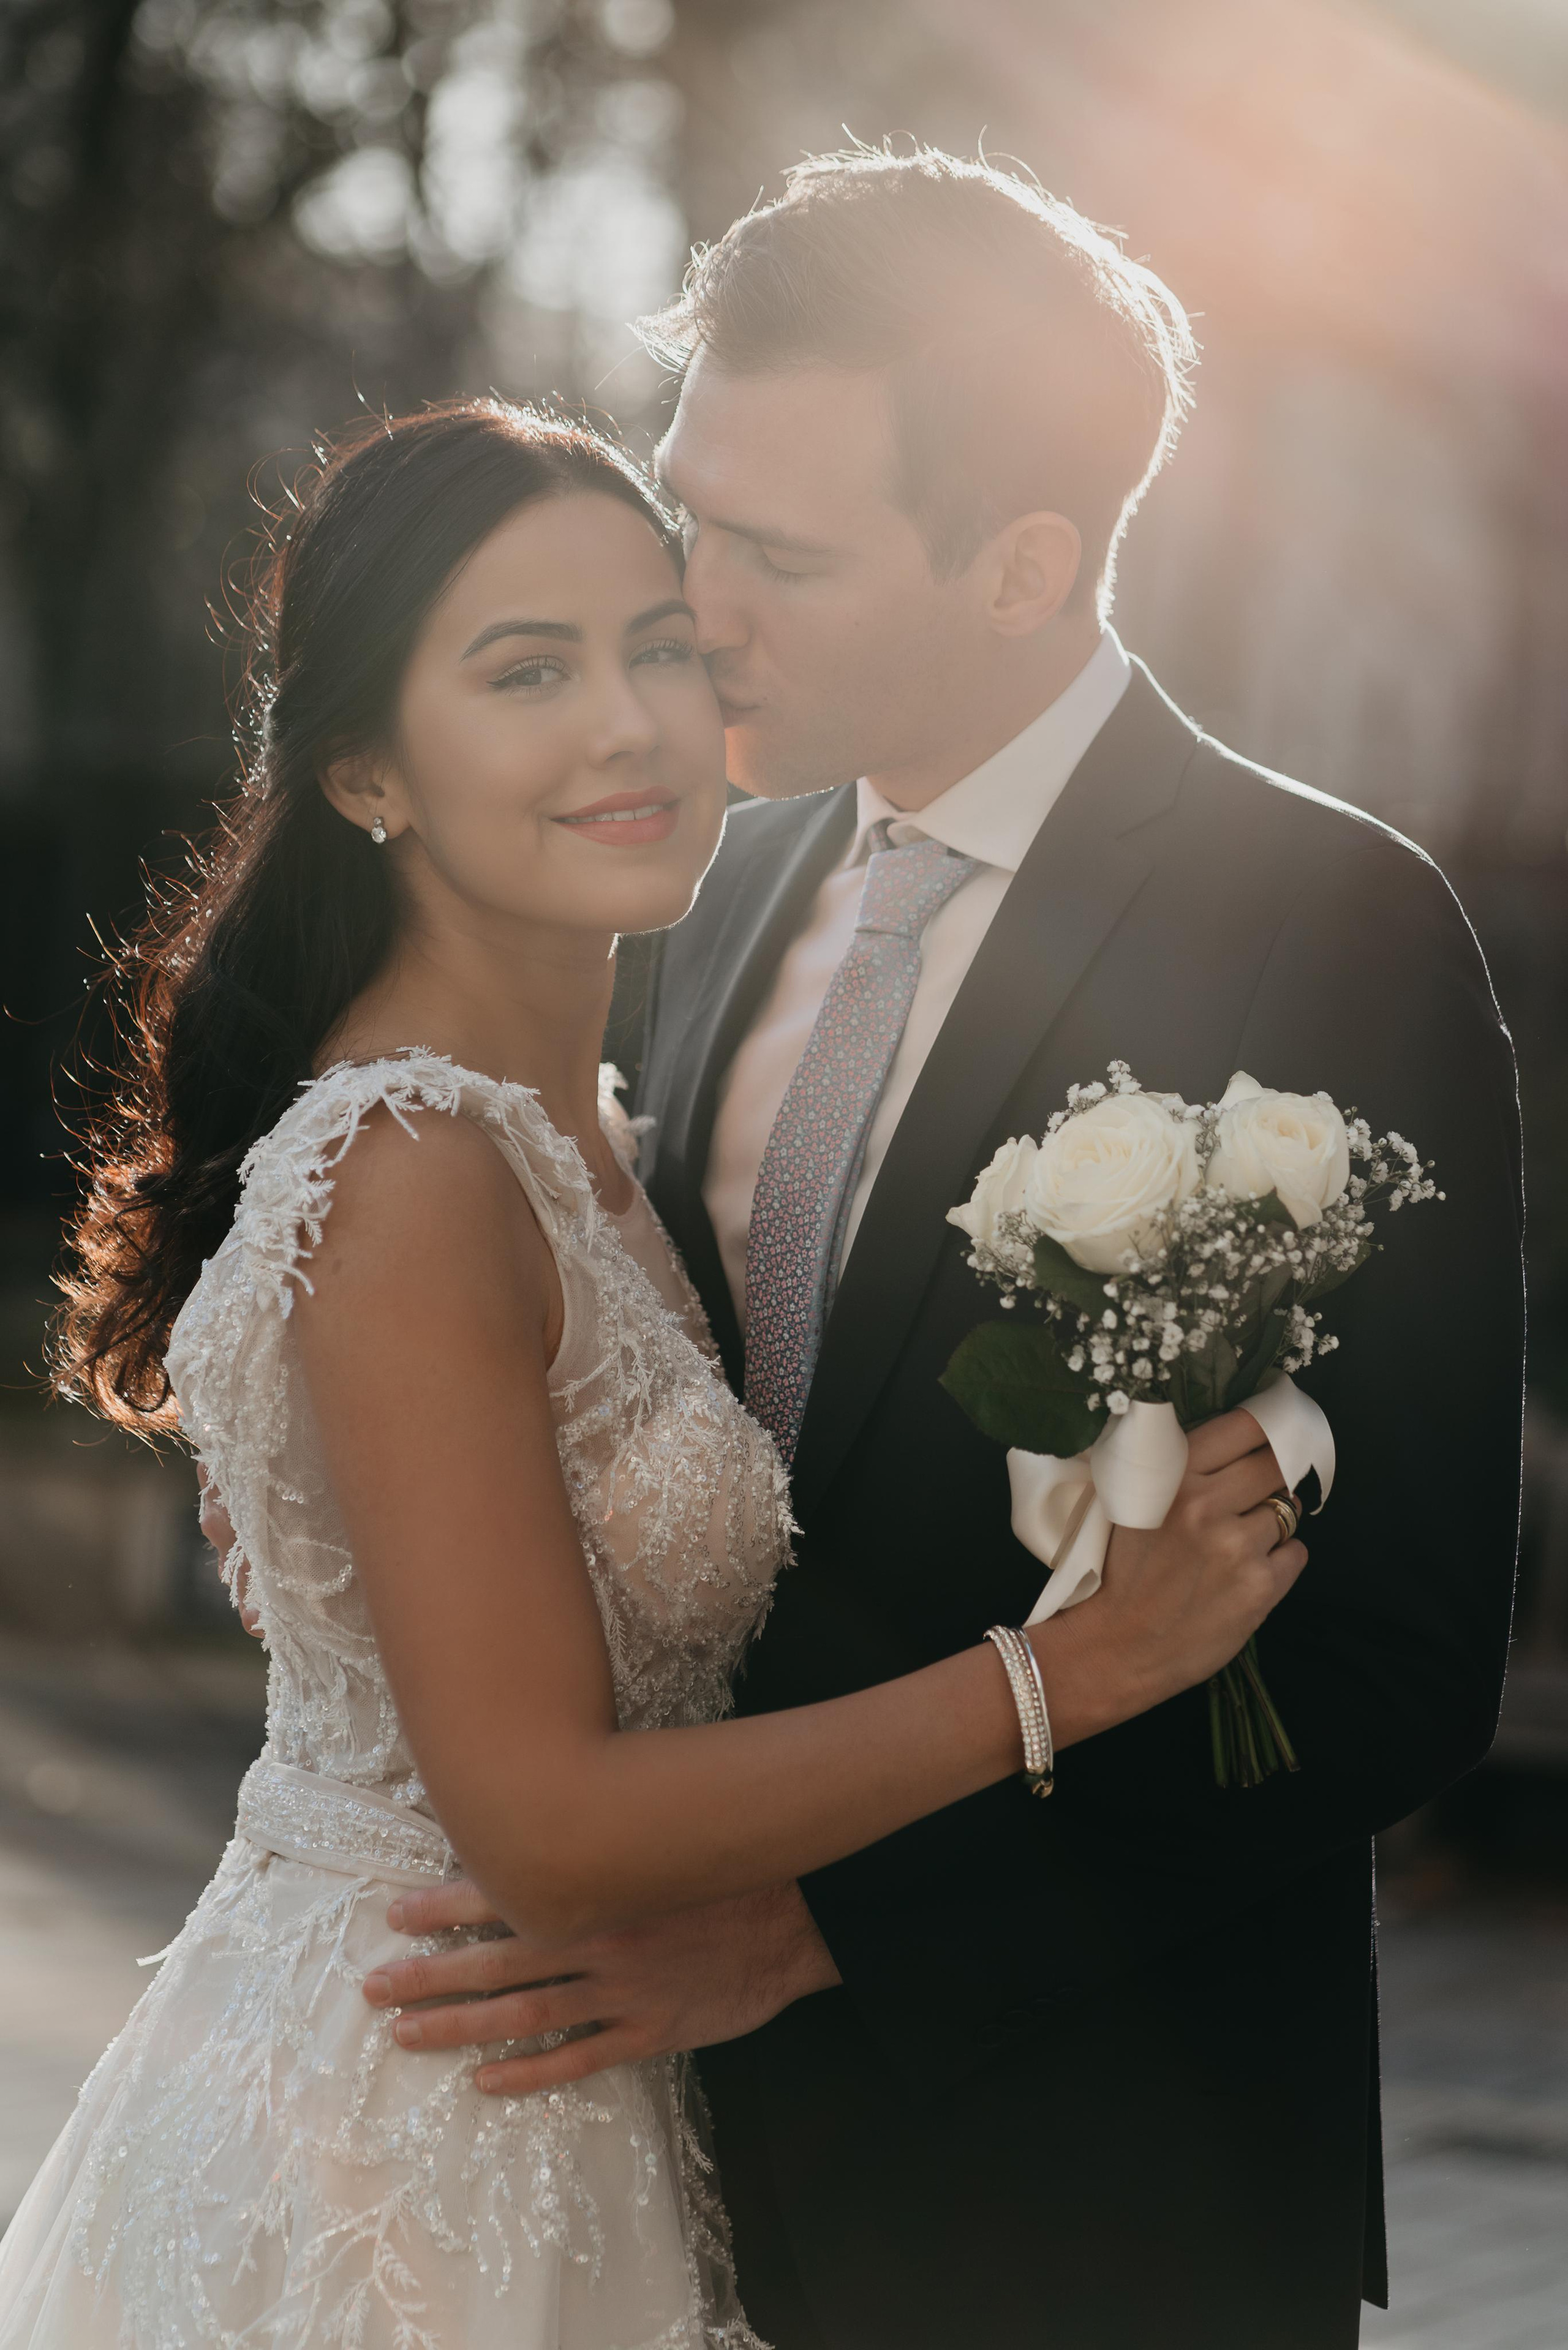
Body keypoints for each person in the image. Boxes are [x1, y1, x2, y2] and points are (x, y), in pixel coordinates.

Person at [0, 399, 1302, 2350]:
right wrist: (1074, 1672)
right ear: (366, 765)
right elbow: (542, 1822)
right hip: (413, 2126)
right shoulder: (415, 1170)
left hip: (598, 2097)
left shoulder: (596, 1128)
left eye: (662, 648)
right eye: (527, 671)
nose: (631, 725)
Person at [372, 153, 1526, 2349]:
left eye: (776, 552)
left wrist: (817, 1935)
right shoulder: (703, 874)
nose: (695, 603)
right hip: (655, 2145)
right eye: (691, 509)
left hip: (1102, 2171)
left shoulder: (1337, 931)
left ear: (1026, 564)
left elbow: (1394, 1667)